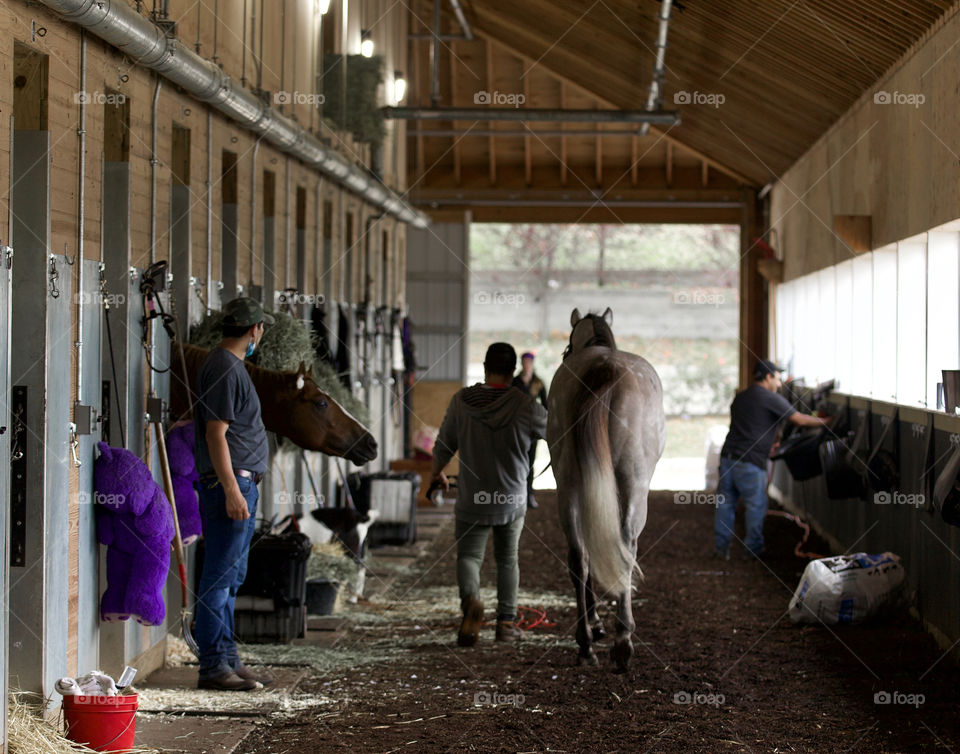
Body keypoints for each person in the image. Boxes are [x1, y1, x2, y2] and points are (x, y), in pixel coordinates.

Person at [431, 343, 548, 646]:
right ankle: (505, 625)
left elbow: (444, 443)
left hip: (473, 498)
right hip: (510, 498)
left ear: (484, 368)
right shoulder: (525, 405)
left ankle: (471, 602)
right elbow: (556, 430)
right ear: (513, 372)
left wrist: (437, 472)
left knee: (470, 556)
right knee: (507, 559)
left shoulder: (461, 401)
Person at [193, 297, 274, 691]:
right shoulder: (225, 368)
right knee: (219, 578)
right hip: (232, 483)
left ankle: (227, 657)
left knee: (231, 576)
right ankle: (212, 665)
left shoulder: (230, 366)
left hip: (240, 482)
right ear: (254, 329)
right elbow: (215, 433)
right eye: (262, 328)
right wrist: (230, 488)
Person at [714, 359, 831, 560]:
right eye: (777, 378)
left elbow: (752, 424)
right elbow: (799, 420)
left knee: (725, 505)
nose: (779, 384)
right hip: (750, 461)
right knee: (756, 505)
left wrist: (769, 442)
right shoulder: (769, 398)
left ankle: (721, 550)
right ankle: (753, 551)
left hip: (727, 458)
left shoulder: (741, 397)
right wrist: (827, 422)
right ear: (768, 377)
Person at [511, 351, 548, 509]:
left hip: (532, 430)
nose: (526, 365)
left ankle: (529, 494)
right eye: (524, 362)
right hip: (516, 428)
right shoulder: (514, 382)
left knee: (530, 462)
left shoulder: (538, 383)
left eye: (529, 362)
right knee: (517, 462)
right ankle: (517, 495)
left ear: (532, 364)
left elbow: (546, 405)